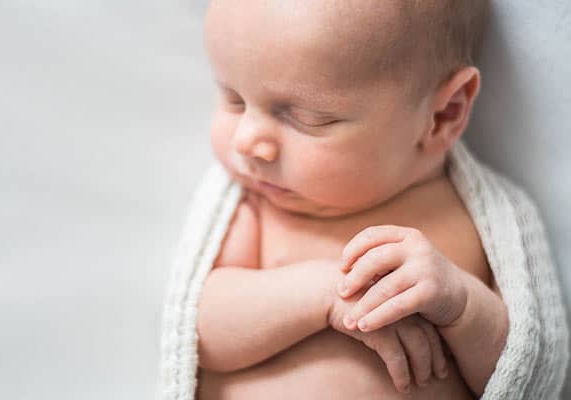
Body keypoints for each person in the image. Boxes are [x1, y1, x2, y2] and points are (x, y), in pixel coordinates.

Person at [194, 1, 507, 398]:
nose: (246, 141)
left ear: (443, 114)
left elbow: (526, 370)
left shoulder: (481, 224)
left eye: (309, 117)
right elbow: (199, 330)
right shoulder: (256, 208)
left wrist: (464, 308)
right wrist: (324, 293)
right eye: (233, 99)